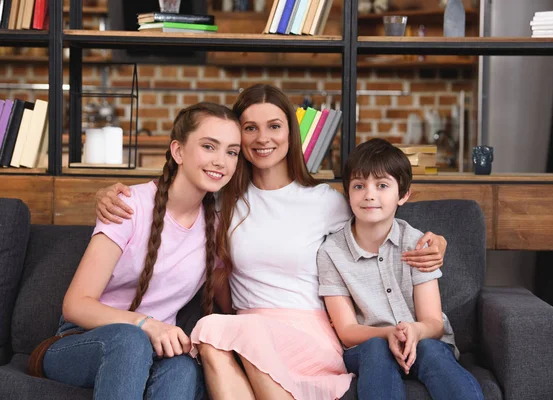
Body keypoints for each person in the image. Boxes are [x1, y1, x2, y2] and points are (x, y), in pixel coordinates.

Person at [95, 84, 449, 400]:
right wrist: (108, 194)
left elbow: (380, 223)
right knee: (212, 335)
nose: (263, 138)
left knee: (215, 329)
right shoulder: (221, 200)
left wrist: (437, 243)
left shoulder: (324, 201)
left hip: (307, 333)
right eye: (250, 128)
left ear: (290, 134)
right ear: (239, 139)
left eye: (274, 126)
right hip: (246, 329)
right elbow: (170, 199)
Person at [41, 103, 242, 399]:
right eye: (209, 146)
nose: (221, 161)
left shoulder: (216, 230)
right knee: (131, 340)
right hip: (84, 342)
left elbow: (234, 304)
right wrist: (148, 326)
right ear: (178, 151)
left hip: (156, 352)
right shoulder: (127, 205)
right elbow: (76, 305)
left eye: (232, 152)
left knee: (183, 368)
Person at [317, 138, 483, 400]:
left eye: (382, 185)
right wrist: (389, 333)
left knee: (431, 349)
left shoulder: (417, 243)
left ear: (403, 195)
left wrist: (414, 331)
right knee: (375, 349)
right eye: (359, 186)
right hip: (368, 346)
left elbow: (433, 323)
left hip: (424, 341)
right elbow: (347, 332)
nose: (369, 194)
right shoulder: (331, 252)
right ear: (348, 194)